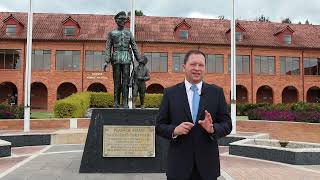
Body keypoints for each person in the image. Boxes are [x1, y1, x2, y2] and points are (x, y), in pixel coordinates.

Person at [156, 50, 232, 180]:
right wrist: (174, 130)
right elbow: (159, 126)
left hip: (207, 167)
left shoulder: (216, 93)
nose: (197, 68)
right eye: (193, 64)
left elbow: (227, 124)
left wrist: (212, 129)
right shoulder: (170, 93)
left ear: (205, 68)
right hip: (178, 167)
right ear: (184, 67)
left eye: (201, 65)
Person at [104, 11, 141, 108]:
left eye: (124, 19)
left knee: (126, 81)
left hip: (126, 58)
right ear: (116, 20)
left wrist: (139, 59)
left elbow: (134, 46)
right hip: (116, 58)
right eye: (121, 19)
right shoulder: (111, 33)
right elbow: (108, 47)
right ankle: (116, 102)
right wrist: (106, 61)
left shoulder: (129, 33)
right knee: (116, 81)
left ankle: (124, 102)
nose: (123, 21)